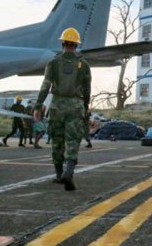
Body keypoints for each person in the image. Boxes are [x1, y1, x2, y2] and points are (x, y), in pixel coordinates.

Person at [35, 27, 91, 191]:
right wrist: (85, 105)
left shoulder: (53, 63)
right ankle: (69, 172)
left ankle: (59, 175)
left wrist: (38, 105)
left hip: (58, 105)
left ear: (63, 44)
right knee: (73, 140)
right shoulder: (84, 65)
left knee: (57, 140)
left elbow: (45, 85)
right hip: (75, 105)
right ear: (76, 45)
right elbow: (87, 89)